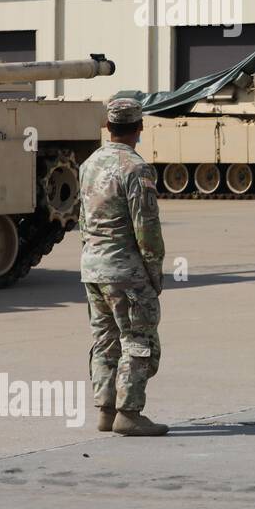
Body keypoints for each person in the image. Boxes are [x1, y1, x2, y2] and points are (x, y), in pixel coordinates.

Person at [79, 97, 168, 437]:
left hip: (93, 268)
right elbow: (147, 229)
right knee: (138, 340)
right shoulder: (136, 168)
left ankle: (105, 410)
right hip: (125, 271)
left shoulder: (89, 164)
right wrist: (154, 273)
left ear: (108, 127)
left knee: (105, 339)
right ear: (140, 127)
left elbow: (83, 221)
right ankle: (129, 412)